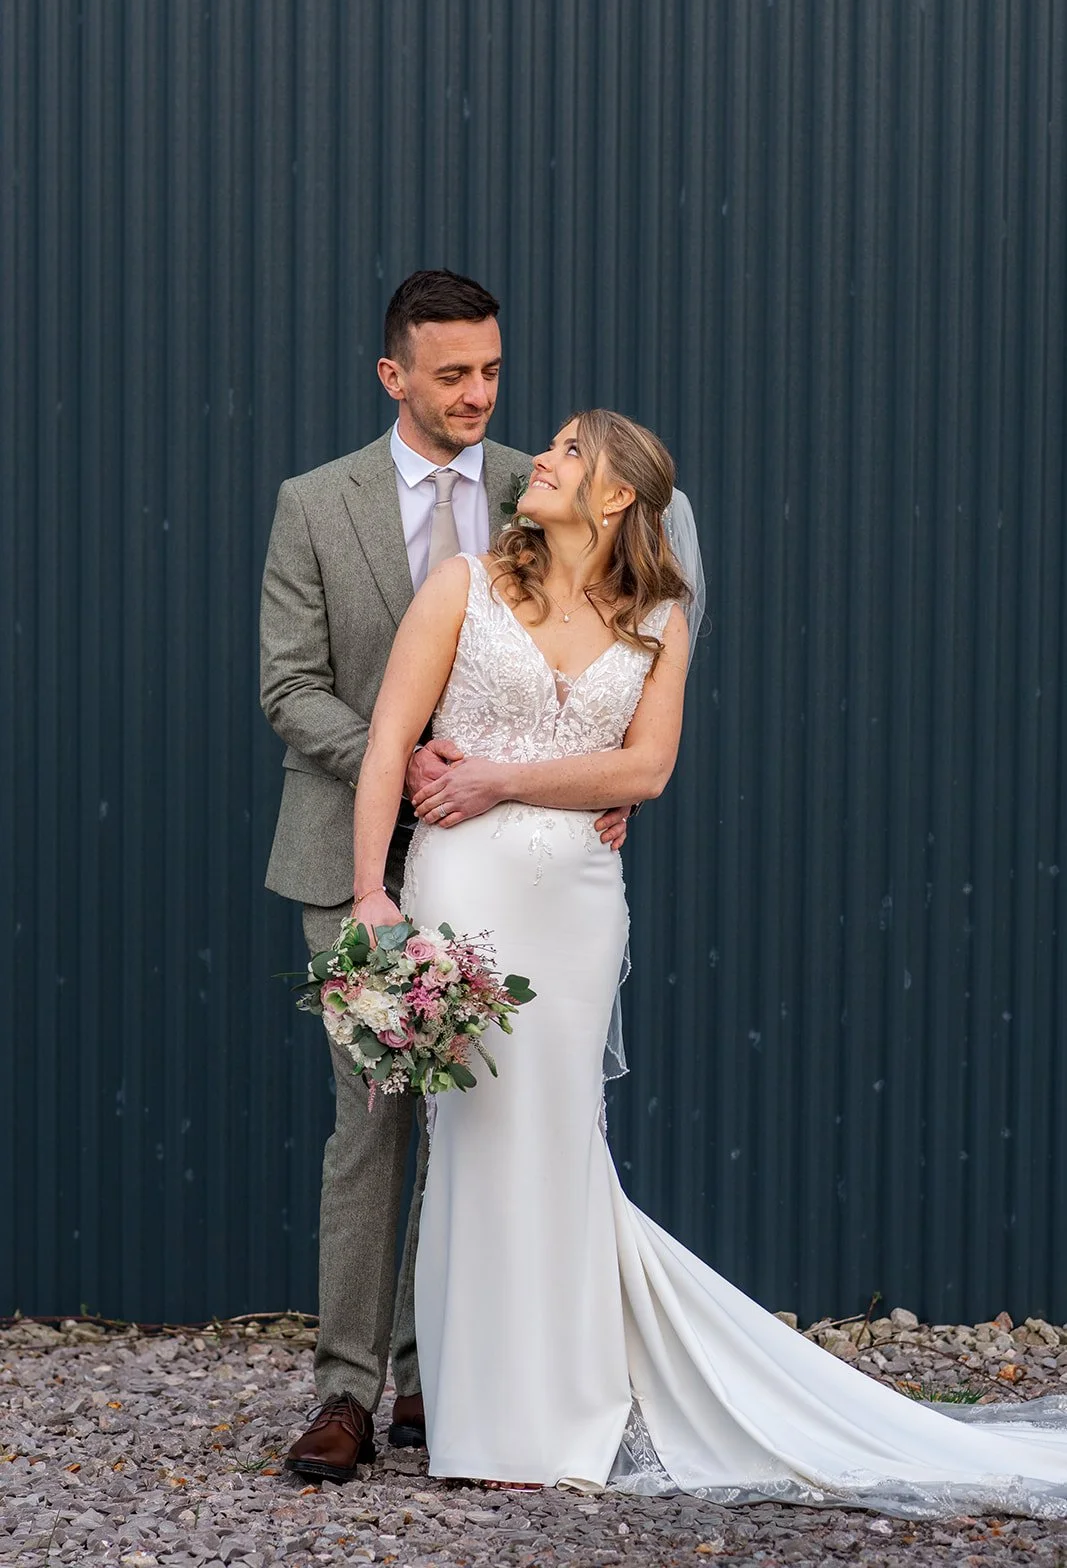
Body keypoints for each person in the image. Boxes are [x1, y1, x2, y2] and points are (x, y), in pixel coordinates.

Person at [348, 408, 1067, 1512]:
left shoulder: (657, 616)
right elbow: (392, 739)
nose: (536, 458)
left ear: (616, 497)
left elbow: (644, 770)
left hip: (577, 911)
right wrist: (372, 894)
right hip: (460, 891)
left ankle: (566, 1404)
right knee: (477, 1135)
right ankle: (483, 1410)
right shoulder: (460, 585)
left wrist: (499, 777)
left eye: (567, 452)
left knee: (556, 1135)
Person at [261, 271, 629, 1483]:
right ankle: (347, 1393)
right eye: (452, 374)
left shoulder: (550, 483)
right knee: (371, 1128)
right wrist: (400, 757)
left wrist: (595, 784)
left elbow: (606, 655)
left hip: (509, 868)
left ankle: (445, 1379)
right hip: (354, 859)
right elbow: (289, 688)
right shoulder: (316, 506)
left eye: (491, 370)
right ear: (394, 378)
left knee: (491, 1121)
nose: (478, 394)